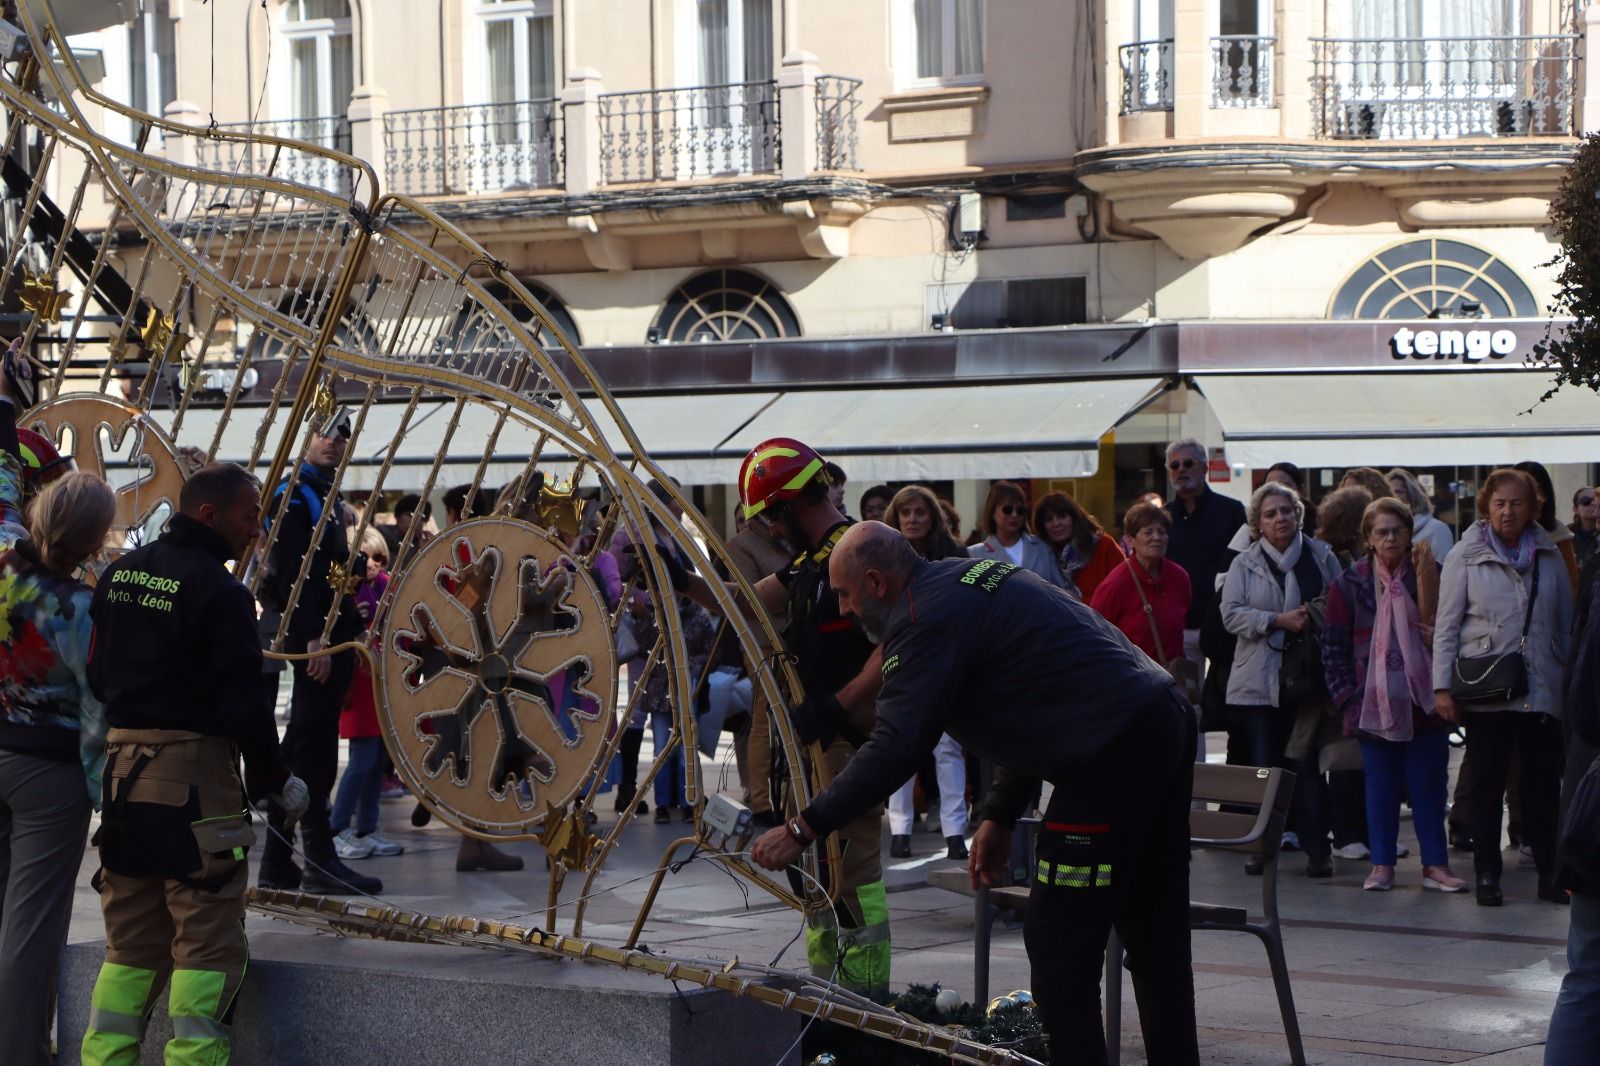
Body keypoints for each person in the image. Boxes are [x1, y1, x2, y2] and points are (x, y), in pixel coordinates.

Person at [749, 523, 1199, 1066]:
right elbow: (1041, 695)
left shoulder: (921, 621)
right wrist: (1001, 813)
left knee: (1059, 948)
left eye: (845, 594)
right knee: (1156, 941)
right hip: (1159, 721)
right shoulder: (962, 578)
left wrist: (805, 826)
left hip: (1111, 753)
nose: (844, 610)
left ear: (876, 582)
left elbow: (897, 746)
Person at [80, 463, 310, 1066]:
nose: (257, 529)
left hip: (122, 779)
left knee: (129, 946)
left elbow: (99, 677)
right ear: (209, 514)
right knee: (206, 945)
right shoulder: (222, 592)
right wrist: (274, 779)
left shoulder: (120, 575)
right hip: (193, 780)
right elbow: (244, 700)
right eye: (249, 514)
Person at [735, 438, 890, 996]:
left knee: (852, 878)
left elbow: (900, 640)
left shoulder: (865, 549)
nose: (770, 534)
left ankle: (868, 1010)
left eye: (771, 521)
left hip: (852, 740)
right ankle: (831, 997)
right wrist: (679, 581)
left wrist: (843, 702)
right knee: (821, 879)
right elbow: (746, 601)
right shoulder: (810, 562)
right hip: (818, 743)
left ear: (787, 506)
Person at [0, 471, 113, 1066]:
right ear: (95, 542)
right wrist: (104, 798)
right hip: (48, 773)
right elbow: (97, 716)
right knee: (32, 928)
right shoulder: (81, 607)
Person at [254, 409, 382, 895]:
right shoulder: (296, 494)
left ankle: (280, 859)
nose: (332, 441)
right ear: (306, 437)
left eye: (341, 435)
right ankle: (318, 860)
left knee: (310, 750)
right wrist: (312, 637)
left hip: (330, 635)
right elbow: (289, 573)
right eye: (323, 431)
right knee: (311, 753)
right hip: (315, 642)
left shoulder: (326, 495)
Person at [1434, 467, 1572, 907]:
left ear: (1535, 507)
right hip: (1488, 687)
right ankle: (1488, 874)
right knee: (1487, 786)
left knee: (1543, 787)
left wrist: (1566, 681)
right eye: (1499, 503)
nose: (1507, 511)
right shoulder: (1466, 554)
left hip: (1541, 685)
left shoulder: (1551, 554)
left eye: (1516, 502)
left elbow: (1565, 625)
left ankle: (1551, 876)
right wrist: (1442, 688)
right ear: (1486, 508)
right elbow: (1446, 626)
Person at [1322, 498, 1465, 893]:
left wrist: (1439, 644)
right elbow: (1333, 649)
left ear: (1409, 534)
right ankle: (1381, 863)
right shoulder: (1349, 584)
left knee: (1429, 788)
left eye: (1397, 530)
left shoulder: (1431, 575)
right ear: (1368, 538)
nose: (1390, 538)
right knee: (1380, 788)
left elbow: (1456, 630)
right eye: (1381, 531)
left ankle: (1435, 864)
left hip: (1426, 702)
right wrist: (1348, 699)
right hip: (1373, 704)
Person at [1221, 482, 1343, 877]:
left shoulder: (1321, 556)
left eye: (1286, 511)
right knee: (1264, 768)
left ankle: (1317, 850)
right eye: (1270, 514)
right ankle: (1261, 847)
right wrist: (1277, 620)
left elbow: (1342, 607)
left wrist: (1316, 615)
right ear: (1258, 522)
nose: (1280, 519)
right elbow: (1231, 614)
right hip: (1259, 681)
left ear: (1297, 515)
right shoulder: (1244, 562)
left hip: (1308, 682)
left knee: (1305, 767)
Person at [883, 485, 970, 860]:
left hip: (946, 656)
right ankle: (900, 828)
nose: (914, 519)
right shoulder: (883, 553)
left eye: (920, 512)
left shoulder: (953, 554)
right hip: (900, 657)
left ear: (933, 516)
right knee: (899, 743)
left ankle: (955, 831)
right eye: (907, 513)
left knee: (948, 746)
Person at [330, 527, 403, 861]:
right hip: (357, 680)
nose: (371, 564)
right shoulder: (346, 589)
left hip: (377, 677)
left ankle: (366, 828)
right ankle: (338, 827)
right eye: (365, 557)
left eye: (377, 558)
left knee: (376, 760)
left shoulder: (384, 585)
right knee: (363, 759)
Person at [1164, 439, 1247, 689]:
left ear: (1204, 468)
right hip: (1183, 625)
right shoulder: (1163, 517)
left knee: (1233, 700)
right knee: (1189, 702)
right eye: (1174, 465)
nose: (1181, 470)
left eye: (1188, 463)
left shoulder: (1231, 511)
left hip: (1225, 623)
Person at [1090, 502, 1192, 675]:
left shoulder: (1180, 578)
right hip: (1131, 681)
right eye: (1148, 532)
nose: (1156, 537)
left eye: (1162, 532)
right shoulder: (1115, 584)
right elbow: (1094, 635)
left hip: (1171, 680)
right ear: (1131, 539)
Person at [969, 480, 1066, 586]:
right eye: (1007, 510)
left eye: (1020, 510)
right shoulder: (975, 554)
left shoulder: (1043, 548)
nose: (1014, 515)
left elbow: (1061, 589)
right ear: (992, 512)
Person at [1035, 491, 1126, 601]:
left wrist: (1080, 602)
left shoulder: (1103, 545)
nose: (1056, 524)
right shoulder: (1042, 555)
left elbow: (1124, 588)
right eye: (1049, 519)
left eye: (1062, 516)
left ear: (1075, 518)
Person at [1516, 461, 1581, 593]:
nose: (1537, 498)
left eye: (1537, 489)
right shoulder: (1486, 538)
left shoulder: (1560, 537)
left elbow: (1571, 590)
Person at [1388, 468, 1455, 559]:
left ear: (1412, 495)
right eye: (1388, 493)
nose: (1390, 498)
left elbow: (1445, 570)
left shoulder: (1437, 529)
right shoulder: (1384, 532)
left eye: (1397, 492)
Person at [1569, 486, 1598, 565]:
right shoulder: (1566, 534)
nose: (1593, 503)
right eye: (1586, 501)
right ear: (1575, 509)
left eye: (1596, 500)